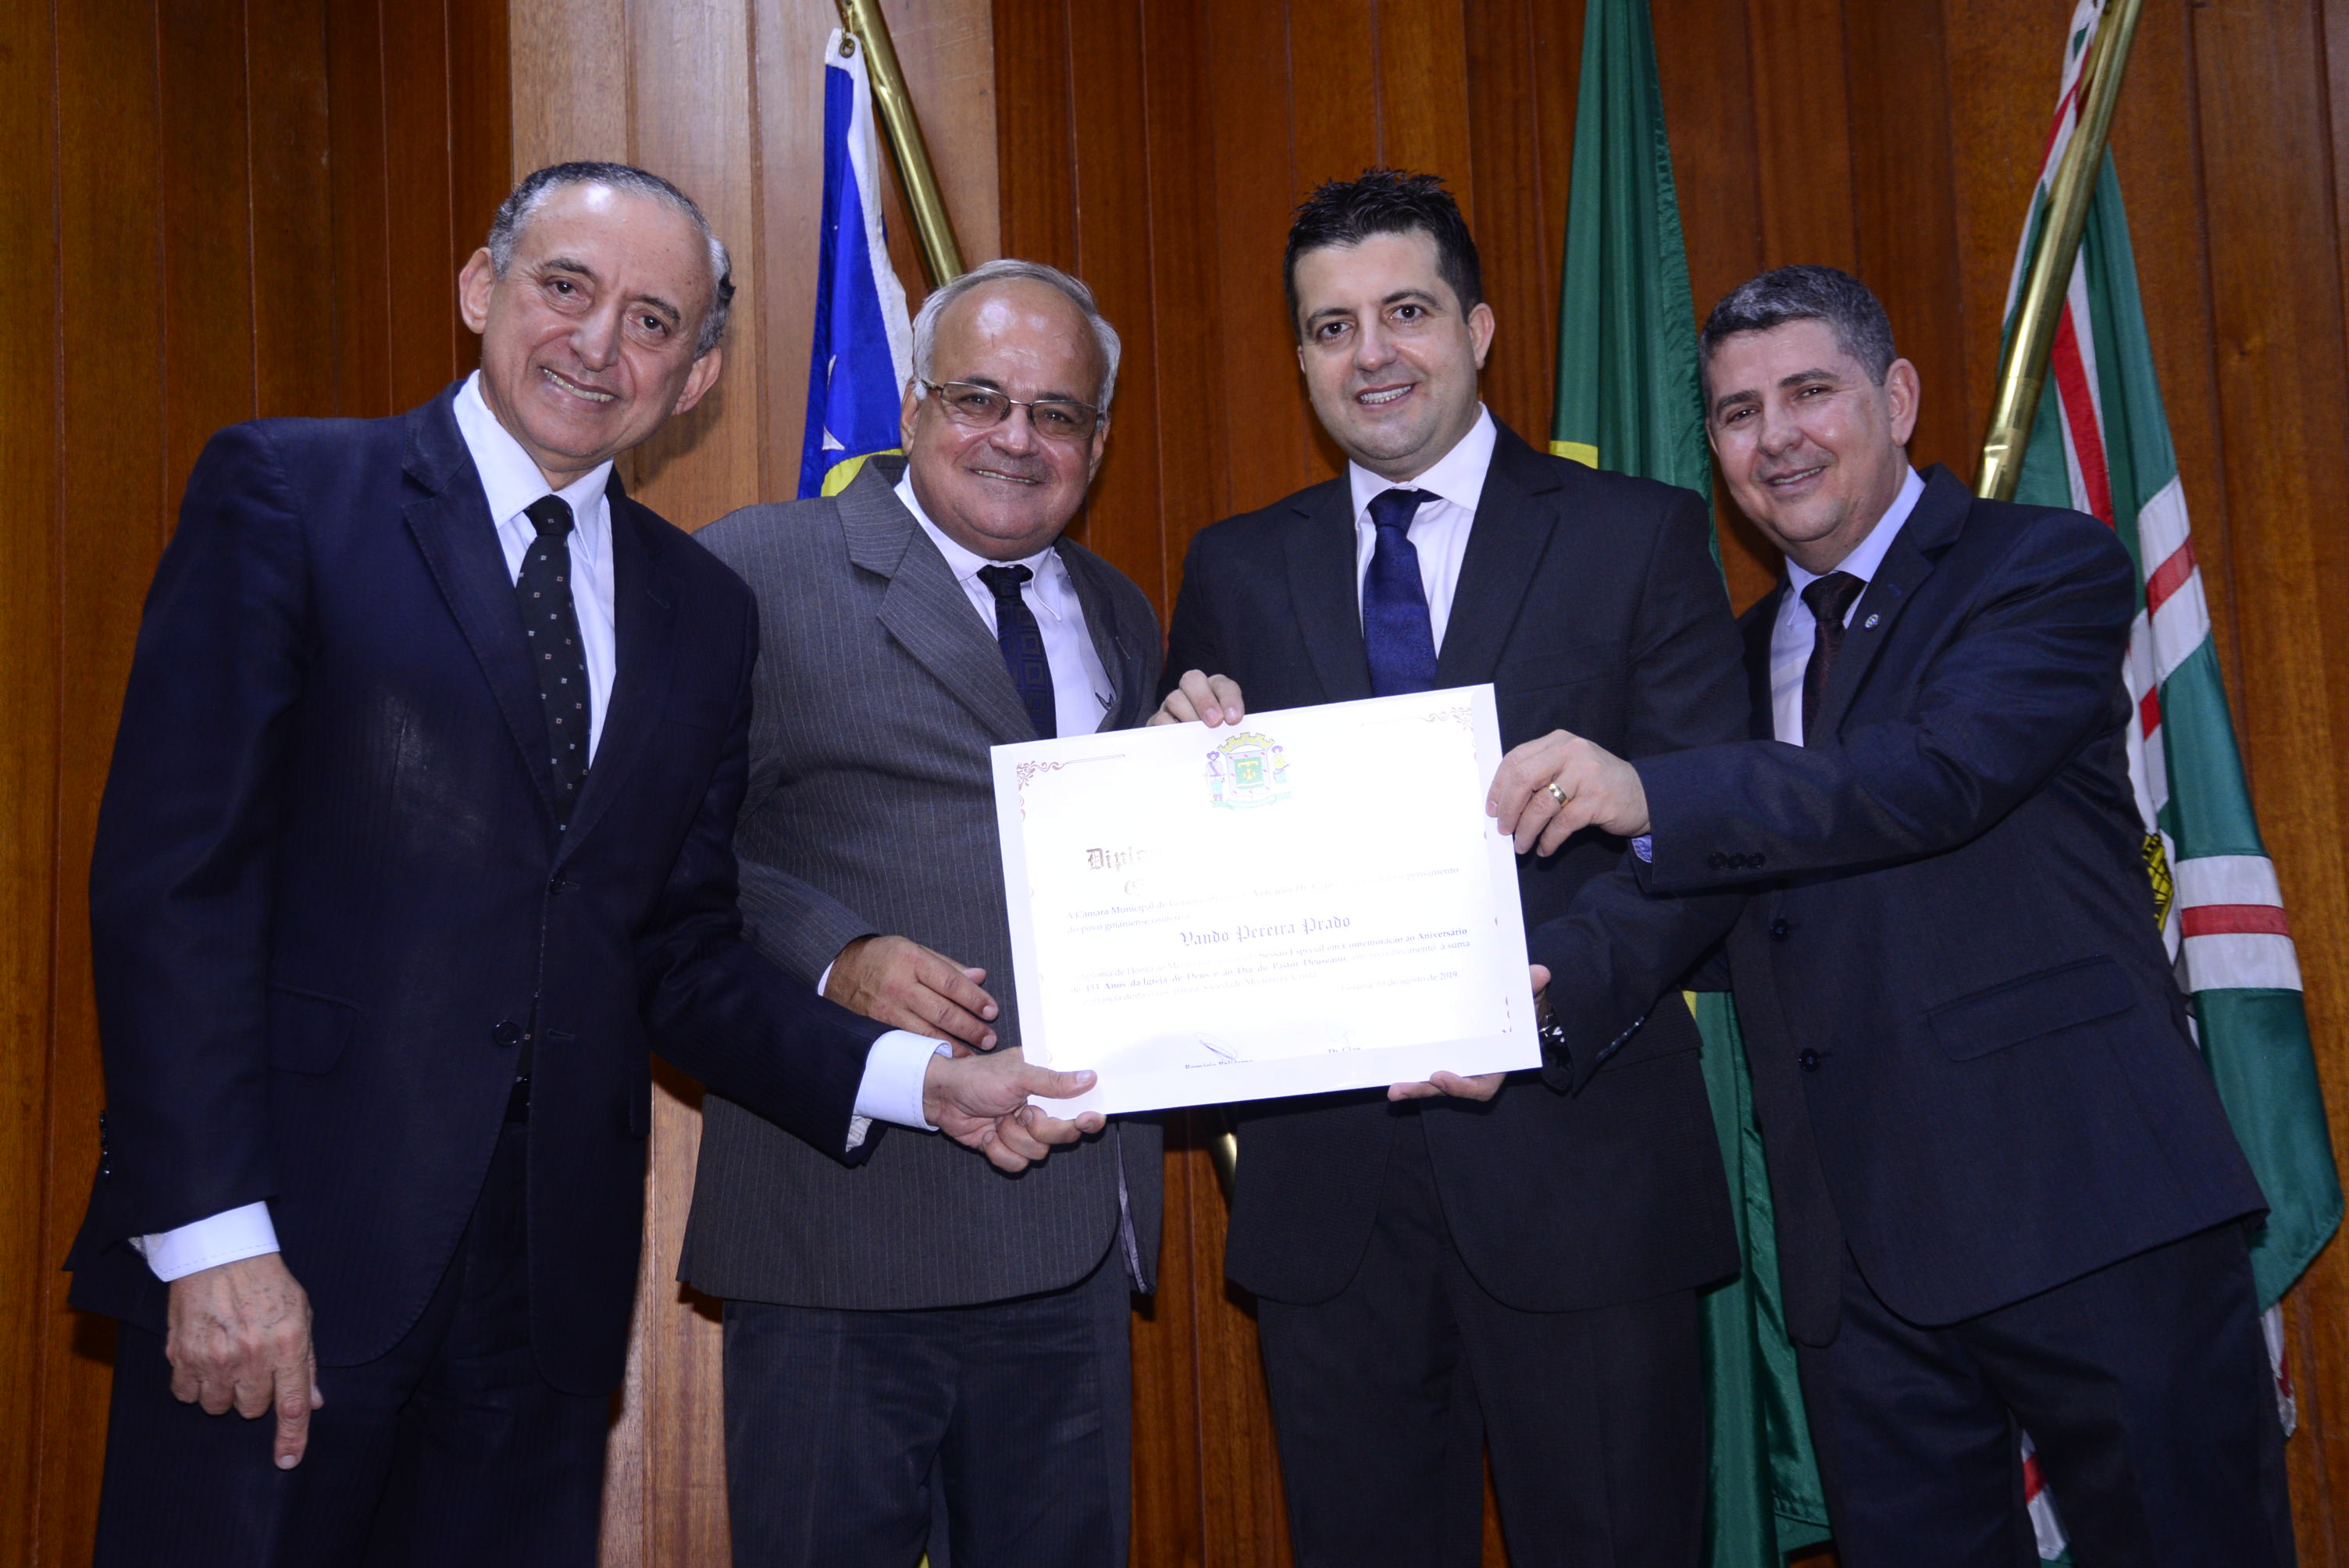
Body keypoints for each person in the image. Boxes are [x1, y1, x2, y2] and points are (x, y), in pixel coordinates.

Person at [66, 163, 1099, 1568]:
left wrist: (919, 1082)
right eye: (567, 288)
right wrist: (208, 1235)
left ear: (698, 376)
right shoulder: (293, 494)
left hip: (541, 1311)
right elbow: (173, 887)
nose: (599, 343)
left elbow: (678, 951)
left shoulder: (701, 609)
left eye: (653, 321)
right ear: (480, 289)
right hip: (283, 1259)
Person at [1496, 265, 2290, 1566]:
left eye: (1811, 392)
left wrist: (1652, 789)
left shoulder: (2042, 566)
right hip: (1859, 1268)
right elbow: (1693, 889)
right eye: (1739, 412)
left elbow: (1931, 776)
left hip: (2090, 1212)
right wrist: (1514, 996)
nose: (1777, 437)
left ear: (1900, 398)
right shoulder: (1734, 659)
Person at [1160, 169, 1748, 1568]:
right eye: (1332, 327)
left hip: (1583, 1163)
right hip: (1331, 1203)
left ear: (1479, 329)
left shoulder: (1637, 534)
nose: (1371, 353)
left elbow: (1706, 824)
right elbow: (1203, 862)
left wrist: (1535, 1011)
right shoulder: (1236, 567)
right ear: (1303, 357)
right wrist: (1178, 764)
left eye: (1406, 312)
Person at [677, 258, 1163, 1568]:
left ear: (1098, 442)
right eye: (979, 397)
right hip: (845, 1230)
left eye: (1057, 413)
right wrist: (832, 953)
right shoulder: (757, 567)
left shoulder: (1122, 613)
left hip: (1069, 1224)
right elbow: (657, 860)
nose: (1017, 437)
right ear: (910, 403)